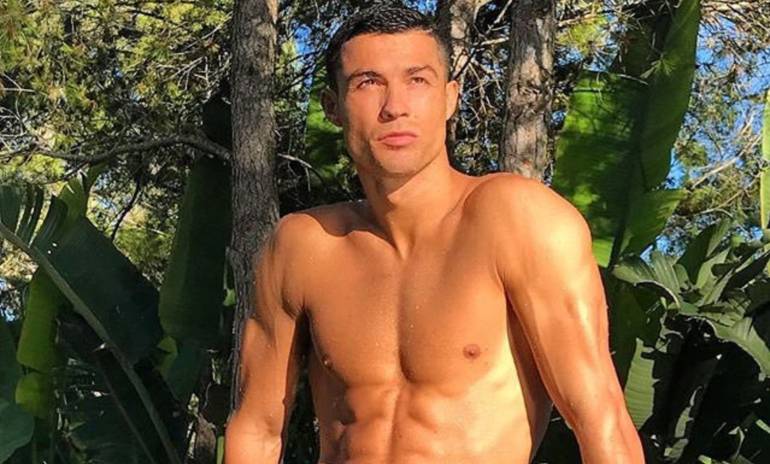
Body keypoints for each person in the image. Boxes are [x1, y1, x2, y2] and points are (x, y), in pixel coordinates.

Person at [224, 4, 644, 463]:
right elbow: (257, 430)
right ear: (332, 107)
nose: (395, 107)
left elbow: (600, 419)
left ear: (450, 98)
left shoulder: (516, 218)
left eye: (417, 80)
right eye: (368, 83)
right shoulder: (303, 245)